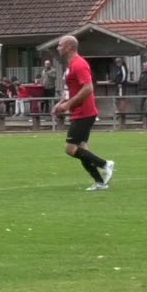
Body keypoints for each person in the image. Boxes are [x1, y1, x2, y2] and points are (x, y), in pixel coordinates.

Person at [51, 36, 115, 191]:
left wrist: (68, 105)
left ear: (68, 47)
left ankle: (105, 164)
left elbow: (88, 88)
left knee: (70, 149)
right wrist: (61, 103)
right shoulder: (71, 65)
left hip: (84, 112)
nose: (58, 48)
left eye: (60, 45)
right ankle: (100, 182)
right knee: (82, 149)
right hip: (80, 111)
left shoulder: (79, 64)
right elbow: (72, 90)